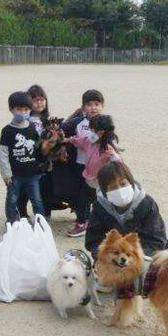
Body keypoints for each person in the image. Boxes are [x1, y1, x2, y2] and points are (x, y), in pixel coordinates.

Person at [85, 161, 168, 261]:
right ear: (104, 192)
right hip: (113, 260)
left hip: (145, 258)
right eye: (112, 187)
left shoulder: (147, 204)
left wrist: (133, 258)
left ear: (131, 182)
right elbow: (93, 240)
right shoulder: (100, 207)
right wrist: (104, 255)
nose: (119, 190)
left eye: (123, 183)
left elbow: (157, 240)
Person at [61, 89, 105, 237]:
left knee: (99, 196)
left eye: (97, 104)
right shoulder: (78, 123)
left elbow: (112, 141)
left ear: (102, 106)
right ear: (83, 107)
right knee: (82, 195)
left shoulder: (105, 123)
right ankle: (82, 222)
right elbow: (63, 131)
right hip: (81, 165)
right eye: (89, 104)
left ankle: (97, 223)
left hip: (101, 168)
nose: (93, 107)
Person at [0, 91, 45, 223]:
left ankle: (41, 224)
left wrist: (42, 165)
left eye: (26, 110)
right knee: (12, 200)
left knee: (37, 200)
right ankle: (12, 222)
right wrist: (6, 173)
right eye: (19, 109)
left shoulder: (31, 128)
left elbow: (37, 148)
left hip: (33, 174)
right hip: (14, 175)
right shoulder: (7, 130)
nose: (23, 112)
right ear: (11, 109)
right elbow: (3, 153)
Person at [17, 85, 54, 221]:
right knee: (24, 190)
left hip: (44, 162)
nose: (39, 102)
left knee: (44, 189)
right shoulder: (24, 120)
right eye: (35, 100)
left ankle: (45, 215)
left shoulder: (49, 120)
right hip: (27, 161)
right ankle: (22, 214)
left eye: (42, 99)